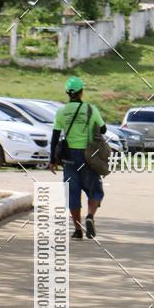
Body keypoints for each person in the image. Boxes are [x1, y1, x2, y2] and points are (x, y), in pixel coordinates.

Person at [50, 76, 106, 239]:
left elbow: (55, 137)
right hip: (89, 157)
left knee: (72, 193)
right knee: (95, 190)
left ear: (67, 93)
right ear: (81, 92)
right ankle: (90, 216)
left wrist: (52, 160)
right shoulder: (91, 109)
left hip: (69, 159)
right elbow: (103, 129)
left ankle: (77, 229)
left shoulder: (61, 111)